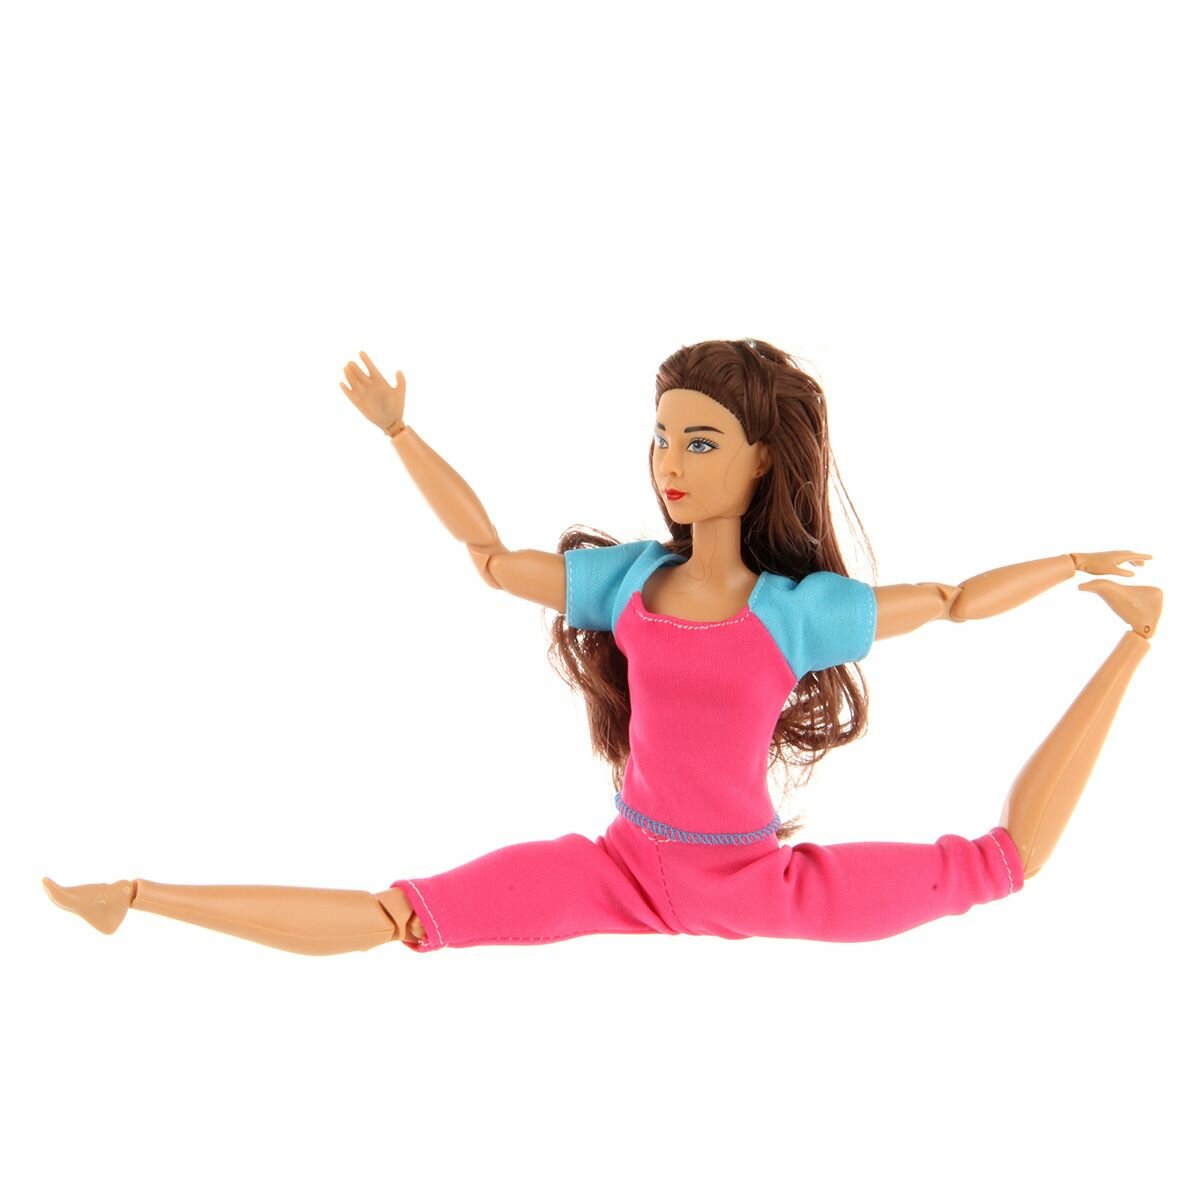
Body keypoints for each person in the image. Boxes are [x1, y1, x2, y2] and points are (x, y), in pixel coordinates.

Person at [43, 339, 1160, 955]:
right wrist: (400, 432)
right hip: (620, 868)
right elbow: (490, 558)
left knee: (1001, 866)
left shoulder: (798, 610)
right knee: (402, 914)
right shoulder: (626, 581)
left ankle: (1137, 651)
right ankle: (134, 895)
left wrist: (1072, 568)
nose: (670, 463)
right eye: (663, 438)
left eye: (701, 442)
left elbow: (954, 601)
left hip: (758, 886)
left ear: (764, 461)